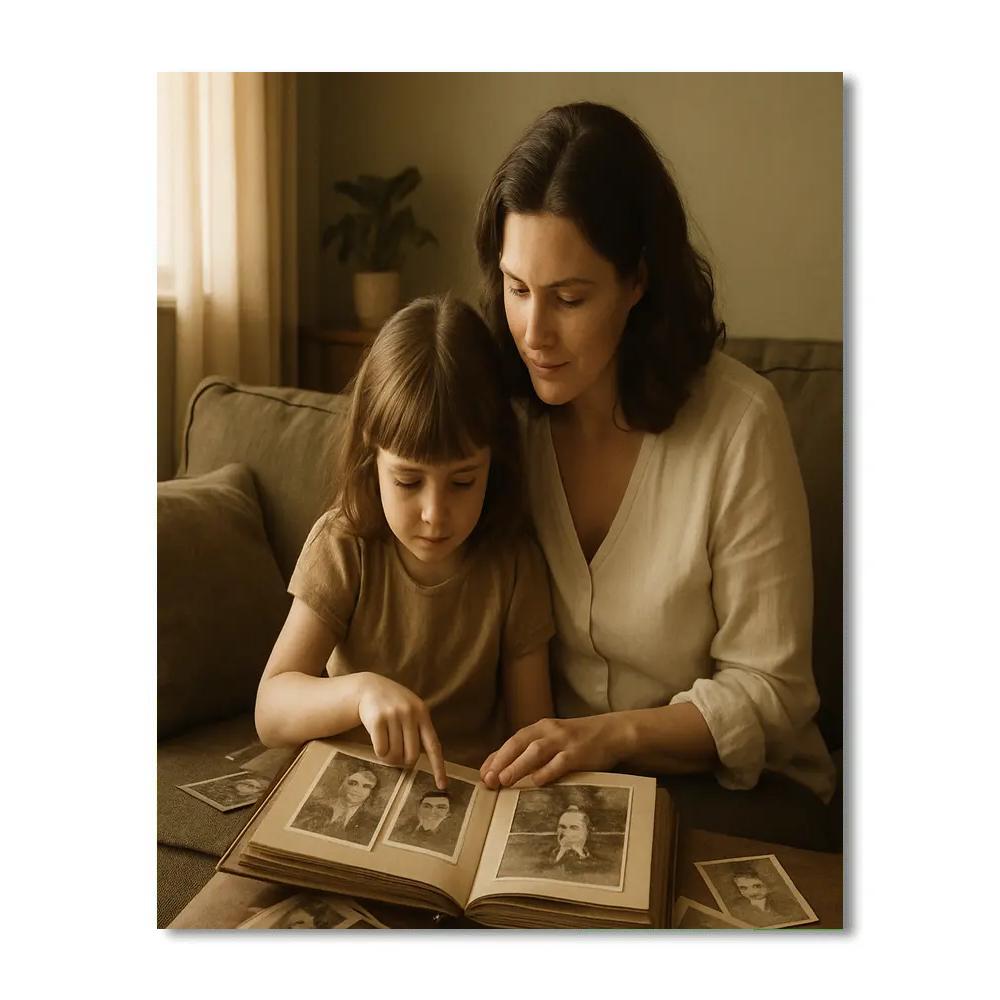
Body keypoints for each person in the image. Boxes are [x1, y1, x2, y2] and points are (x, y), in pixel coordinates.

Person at [474, 102, 836, 832]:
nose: (534, 334)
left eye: (569, 298)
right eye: (517, 289)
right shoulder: (499, 419)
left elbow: (771, 690)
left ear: (636, 281)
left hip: (740, 794)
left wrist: (610, 737)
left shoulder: (739, 424)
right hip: (571, 793)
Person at [255, 294, 556, 788]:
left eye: (463, 482)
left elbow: (532, 735)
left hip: (465, 798)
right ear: (371, 453)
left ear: (494, 463)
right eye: (408, 481)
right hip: (352, 792)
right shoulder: (344, 545)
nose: (435, 514)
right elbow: (270, 712)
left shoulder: (514, 563)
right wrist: (361, 693)